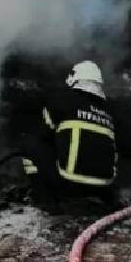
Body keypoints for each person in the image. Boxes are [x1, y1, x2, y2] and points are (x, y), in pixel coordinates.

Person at [24, 61, 117, 206]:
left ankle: (47, 203)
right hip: (103, 186)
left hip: (69, 184)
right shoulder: (109, 110)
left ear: (75, 78)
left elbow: (43, 137)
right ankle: (110, 201)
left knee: (30, 144)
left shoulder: (62, 100)